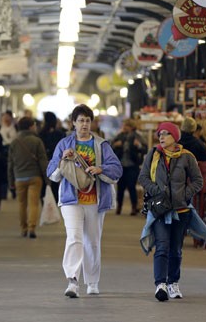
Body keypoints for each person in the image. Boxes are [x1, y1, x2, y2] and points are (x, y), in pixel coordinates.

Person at [47, 104, 122, 298]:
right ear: (73, 123)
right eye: (81, 120)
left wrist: (101, 169)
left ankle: (92, 281)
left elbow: (117, 169)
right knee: (74, 238)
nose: (84, 124)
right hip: (71, 200)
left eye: (88, 120)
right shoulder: (64, 144)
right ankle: (72, 281)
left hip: (95, 200)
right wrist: (63, 159)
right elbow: (52, 173)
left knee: (93, 242)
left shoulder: (102, 144)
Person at [138, 121, 203, 302]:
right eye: (160, 134)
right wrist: (156, 191)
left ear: (175, 137)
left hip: (181, 210)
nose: (162, 137)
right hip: (160, 209)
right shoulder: (153, 154)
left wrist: (183, 194)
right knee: (162, 247)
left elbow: (198, 181)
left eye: (166, 133)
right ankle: (160, 284)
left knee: (176, 249)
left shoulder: (187, 157)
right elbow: (142, 177)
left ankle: (173, 282)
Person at [7, 117, 48, 239]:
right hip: (35, 177)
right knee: (33, 204)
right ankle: (31, 228)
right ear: (30, 127)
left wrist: (10, 181)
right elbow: (43, 161)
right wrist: (48, 179)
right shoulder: (37, 141)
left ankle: (23, 228)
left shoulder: (14, 142)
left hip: (19, 178)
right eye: (34, 125)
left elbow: (10, 163)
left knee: (22, 204)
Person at [111, 118, 147, 215]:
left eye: (126, 125)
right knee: (120, 187)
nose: (124, 127)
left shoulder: (138, 136)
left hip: (133, 164)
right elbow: (110, 145)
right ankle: (119, 207)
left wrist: (138, 145)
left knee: (131, 186)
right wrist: (115, 145)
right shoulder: (120, 136)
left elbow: (145, 148)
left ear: (131, 127)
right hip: (121, 165)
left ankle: (134, 207)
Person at [38, 111, 66, 201]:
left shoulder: (40, 134)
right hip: (56, 162)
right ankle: (55, 201)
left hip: (44, 162)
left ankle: (45, 203)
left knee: (44, 185)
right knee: (55, 184)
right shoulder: (60, 134)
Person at [0, 110, 18, 199]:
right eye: (4, 117)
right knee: (3, 173)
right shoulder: (0, 128)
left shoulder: (15, 128)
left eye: (8, 117)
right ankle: (3, 193)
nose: (6, 119)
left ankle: (13, 190)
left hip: (13, 150)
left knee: (12, 172)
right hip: (3, 152)